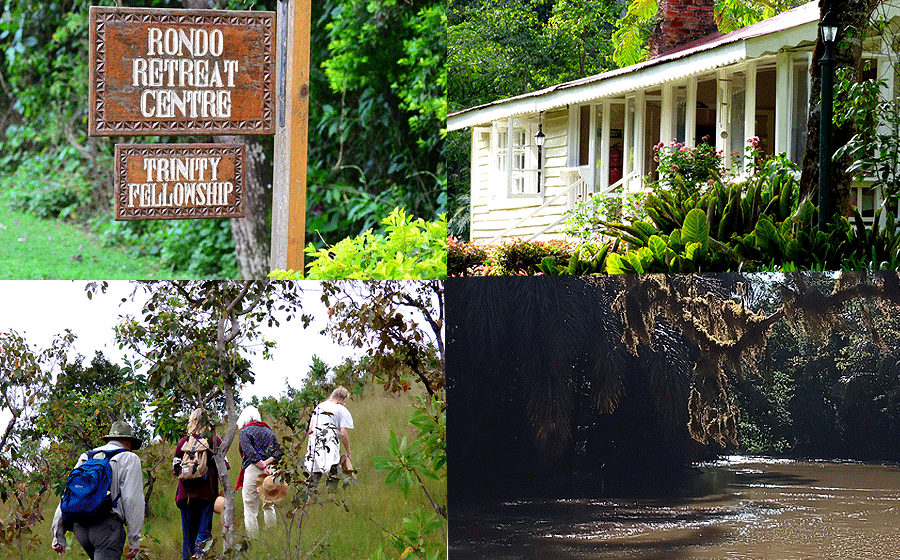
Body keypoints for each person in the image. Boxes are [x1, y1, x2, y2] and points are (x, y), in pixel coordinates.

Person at [51, 420, 145, 559]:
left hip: (80, 528)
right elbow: (131, 499)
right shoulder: (129, 458)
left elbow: (68, 495)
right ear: (128, 441)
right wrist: (134, 540)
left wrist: (58, 535)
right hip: (107, 528)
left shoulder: (86, 457)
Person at [173, 408, 227, 560]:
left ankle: (189, 556)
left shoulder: (183, 442)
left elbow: (175, 468)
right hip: (206, 493)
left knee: (188, 535)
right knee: (204, 530)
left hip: (185, 495)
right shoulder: (214, 440)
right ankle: (200, 555)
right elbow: (224, 467)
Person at [235, 405, 282, 538]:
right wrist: (267, 464)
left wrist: (261, 464)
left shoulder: (245, 432)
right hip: (271, 469)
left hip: (252, 469)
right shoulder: (269, 432)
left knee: (250, 505)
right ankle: (273, 535)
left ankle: (253, 538)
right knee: (269, 504)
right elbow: (278, 451)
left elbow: (249, 452)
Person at [304, 387, 354, 496]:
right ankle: (331, 497)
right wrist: (348, 451)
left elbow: (310, 429)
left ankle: (306, 501)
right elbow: (343, 433)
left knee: (314, 473)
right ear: (343, 398)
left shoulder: (319, 407)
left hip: (314, 444)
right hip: (330, 444)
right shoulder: (341, 409)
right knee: (333, 472)